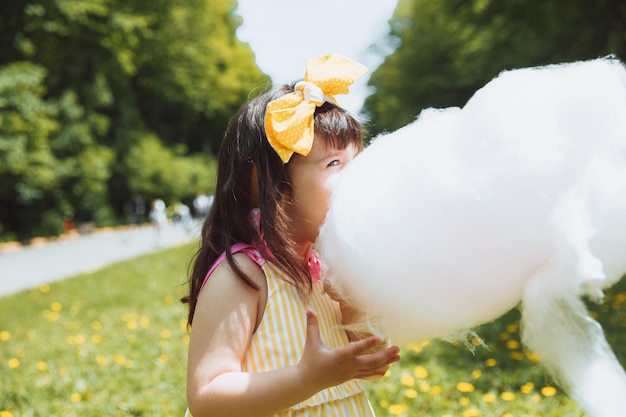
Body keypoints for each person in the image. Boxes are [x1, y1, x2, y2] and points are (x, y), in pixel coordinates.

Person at [181, 54, 400, 417]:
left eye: (356, 161)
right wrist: (305, 378)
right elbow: (206, 396)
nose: (357, 178)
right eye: (334, 164)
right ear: (274, 188)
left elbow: (374, 362)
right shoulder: (244, 274)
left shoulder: (327, 266)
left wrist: (352, 297)